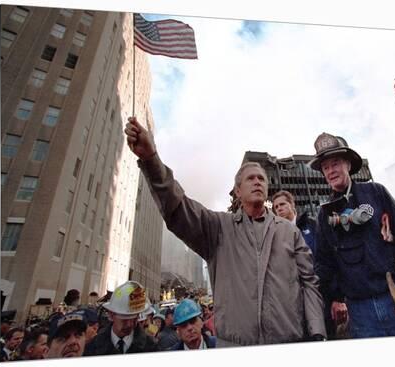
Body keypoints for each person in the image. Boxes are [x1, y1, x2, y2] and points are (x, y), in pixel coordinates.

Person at [124, 117, 326, 346]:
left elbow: (309, 282)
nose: (258, 182)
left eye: (262, 179)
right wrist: (151, 160)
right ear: (238, 191)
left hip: (289, 344)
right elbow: (178, 206)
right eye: (251, 178)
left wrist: (317, 332)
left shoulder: (289, 232)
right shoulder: (218, 228)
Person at [309, 132, 395, 338]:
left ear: (348, 165)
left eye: (335, 164)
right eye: (325, 167)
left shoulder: (376, 193)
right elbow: (325, 263)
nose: (330, 171)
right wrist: (334, 297)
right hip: (361, 314)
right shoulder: (324, 214)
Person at [272, 190, 348, 340]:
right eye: (275, 207)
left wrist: (337, 297)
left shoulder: (313, 225)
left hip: (322, 297)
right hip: (293, 305)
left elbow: (331, 260)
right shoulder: (275, 237)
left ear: (292, 205)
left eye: (282, 204)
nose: (279, 209)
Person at [84, 281, 159, 355]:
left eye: (134, 319)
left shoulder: (151, 347)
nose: (130, 324)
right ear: (111, 315)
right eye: (125, 320)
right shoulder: (92, 347)